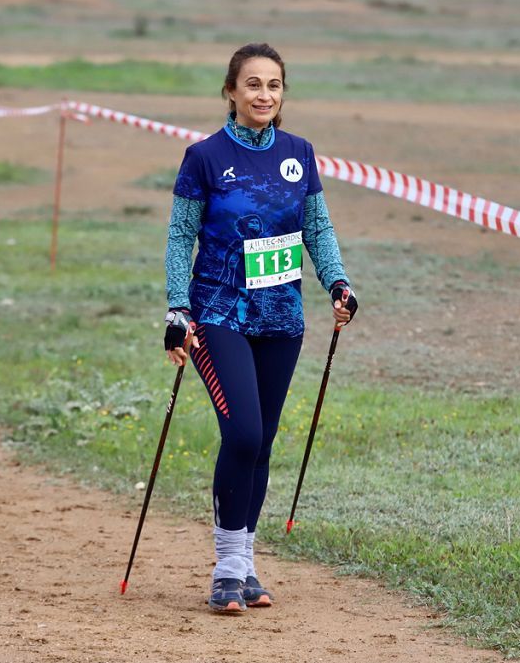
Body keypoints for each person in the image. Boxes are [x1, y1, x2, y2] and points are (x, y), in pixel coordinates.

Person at [164, 43, 358, 614]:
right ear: (230, 90)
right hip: (218, 315)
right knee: (243, 434)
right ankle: (226, 568)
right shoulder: (203, 156)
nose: (264, 95)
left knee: (263, 443)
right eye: (252, 85)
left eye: (273, 85)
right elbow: (181, 237)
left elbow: (316, 229)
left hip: (281, 319)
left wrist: (338, 284)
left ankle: (246, 564)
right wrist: (178, 311)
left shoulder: (300, 154)